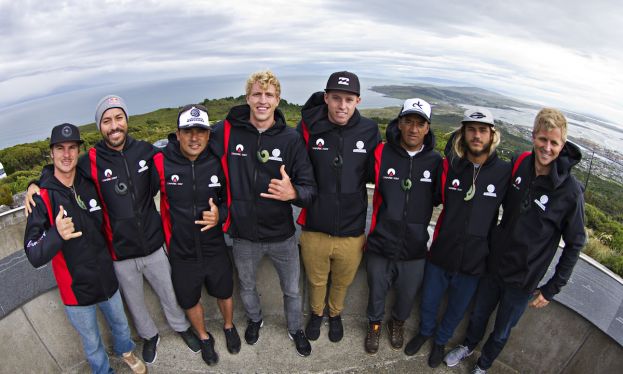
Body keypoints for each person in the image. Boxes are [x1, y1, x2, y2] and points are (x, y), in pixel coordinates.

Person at [26, 95, 199, 364]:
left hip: (153, 244)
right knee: (135, 305)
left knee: (169, 293)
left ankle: (182, 327)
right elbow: (61, 169)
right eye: (106, 121)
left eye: (118, 118)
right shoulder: (90, 160)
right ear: (100, 127)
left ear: (127, 121)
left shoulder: (146, 151)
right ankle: (150, 336)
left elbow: (181, 153)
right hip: (119, 252)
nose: (114, 125)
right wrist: (34, 185)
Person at [443, 108, 586, 374]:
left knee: (502, 329)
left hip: (524, 278)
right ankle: (468, 345)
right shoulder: (520, 164)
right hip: (494, 264)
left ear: (562, 145)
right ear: (533, 137)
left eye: (554, 142)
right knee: (478, 315)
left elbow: (576, 242)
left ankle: (483, 366)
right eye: (543, 139)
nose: (547, 147)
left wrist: (552, 288)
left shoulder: (570, 191)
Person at [210, 70, 317, 356]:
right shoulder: (226, 131)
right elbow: (192, 147)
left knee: (292, 290)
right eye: (257, 94)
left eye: (268, 95)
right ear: (247, 98)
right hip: (243, 235)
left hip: (282, 235)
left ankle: (295, 329)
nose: (262, 100)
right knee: (246, 287)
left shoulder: (291, 139)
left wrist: (293, 193)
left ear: (278, 100)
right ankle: (255, 320)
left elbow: (310, 189)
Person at [24, 123, 146, 374]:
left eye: (72, 148)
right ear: (51, 153)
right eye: (60, 148)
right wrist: (56, 234)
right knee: (92, 344)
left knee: (121, 325)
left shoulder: (90, 184)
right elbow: (34, 254)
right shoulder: (42, 197)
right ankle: (103, 371)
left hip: (106, 278)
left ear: (79, 150)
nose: (66, 154)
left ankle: (126, 352)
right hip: (75, 291)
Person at [404, 108, 511, 368]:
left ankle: (440, 342)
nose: (477, 135)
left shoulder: (503, 172)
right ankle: (425, 332)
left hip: (475, 260)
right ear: (463, 133)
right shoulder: (451, 165)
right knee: (429, 301)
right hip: (441, 252)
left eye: (482, 130)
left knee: (455, 310)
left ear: (491, 135)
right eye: (471, 129)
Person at [296, 71, 381, 343]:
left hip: (352, 228)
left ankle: (335, 315)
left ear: (358, 101)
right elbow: (298, 169)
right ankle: (317, 314)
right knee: (316, 280)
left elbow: (372, 173)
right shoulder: (308, 127)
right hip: (315, 224)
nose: (341, 105)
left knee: (342, 281)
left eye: (348, 99)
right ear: (326, 98)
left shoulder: (369, 131)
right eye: (335, 98)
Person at [153, 104, 240, 366]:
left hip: (214, 244)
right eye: (188, 131)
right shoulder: (161, 161)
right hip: (181, 249)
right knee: (189, 298)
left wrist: (221, 215)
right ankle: (203, 337)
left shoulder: (218, 161)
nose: (194, 138)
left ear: (208, 134)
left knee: (224, 290)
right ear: (177, 134)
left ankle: (228, 326)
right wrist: (37, 182)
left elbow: (232, 200)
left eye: (200, 131)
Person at [364, 98, 441, 354]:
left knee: (407, 296)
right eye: (408, 121)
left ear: (427, 128)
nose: (413, 128)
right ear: (400, 123)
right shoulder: (381, 152)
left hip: (415, 247)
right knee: (376, 291)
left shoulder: (436, 162)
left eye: (420, 123)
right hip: (380, 242)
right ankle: (374, 325)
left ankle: (397, 324)